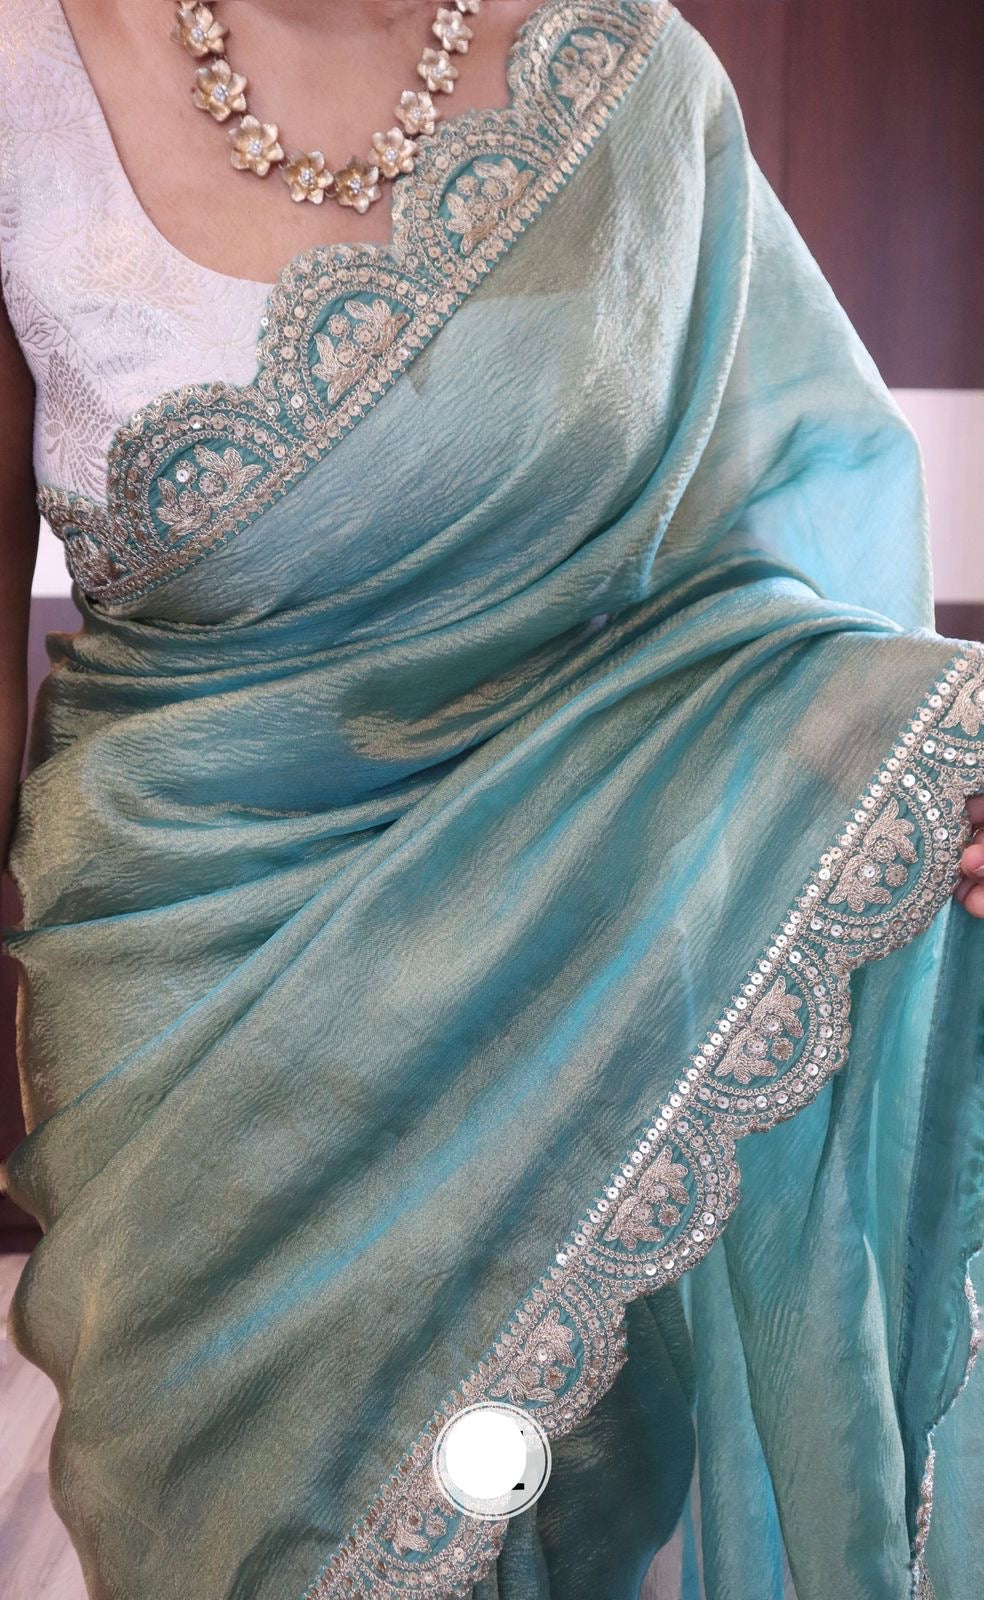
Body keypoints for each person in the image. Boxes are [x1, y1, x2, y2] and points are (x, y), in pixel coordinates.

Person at [0, 2, 982, 1597]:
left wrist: (933, 759)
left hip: (585, 967)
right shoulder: (23, 72)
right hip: (200, 1012)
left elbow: (756, 557)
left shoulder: (627, 78)